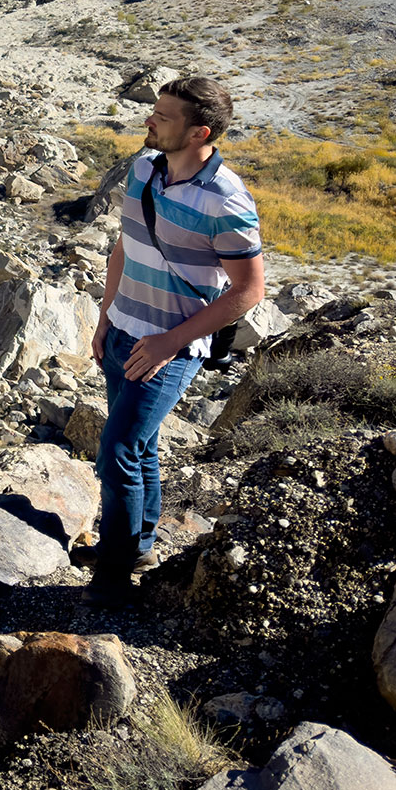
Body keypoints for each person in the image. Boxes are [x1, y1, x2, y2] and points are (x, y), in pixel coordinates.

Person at [89, 76, 265, 603]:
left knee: (116, 449)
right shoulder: (144, 168)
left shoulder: (225, 200)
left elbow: (249, 291)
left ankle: (115, 573)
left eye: (162, 116)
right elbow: (126, 245)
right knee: (137, 446)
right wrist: (104, 317)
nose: (149, 119)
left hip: (169, 348)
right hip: (123, 330)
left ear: (198, 133)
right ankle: (138, 546)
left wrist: (170, 343)